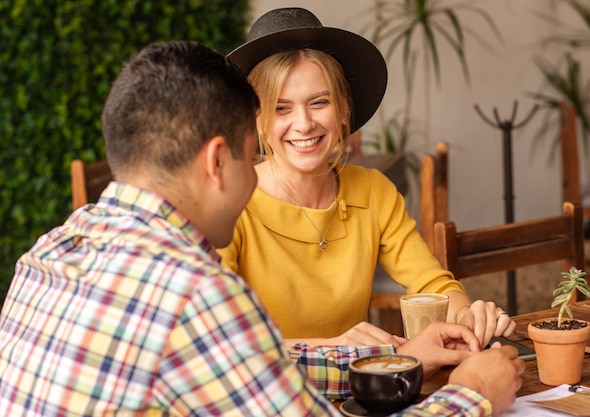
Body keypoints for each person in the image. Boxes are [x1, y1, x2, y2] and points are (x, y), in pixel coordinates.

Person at [0, 40, 525, 416]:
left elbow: (242, 361)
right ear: (216, 162)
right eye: (251, 155)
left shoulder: (49, 251)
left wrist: (397, 358)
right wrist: (475, 394)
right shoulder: (195, 292)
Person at [221, 7, 516, 348]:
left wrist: (467, 315)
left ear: (344, 107)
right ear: (256, 119)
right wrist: (333, 347)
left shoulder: (373, 190)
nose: (303, 124)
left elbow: (433, 285)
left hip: (358, 390)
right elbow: (221, 344)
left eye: (319, 102)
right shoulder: (229, 205)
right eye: (281, 108)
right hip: (267, 393)